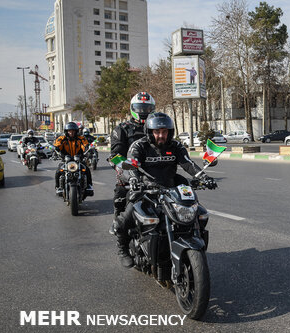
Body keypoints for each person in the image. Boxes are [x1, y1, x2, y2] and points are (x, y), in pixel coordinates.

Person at [114, 112, 216, 268]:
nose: (161, 135)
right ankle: (123, 250)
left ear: (170, 132)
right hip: (146, 189)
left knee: (200, 214)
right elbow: (132, 164)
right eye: (157, 132)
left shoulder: (175, 146)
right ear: (149, 132)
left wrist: (204, 177)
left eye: (164, 132)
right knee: (123, 220)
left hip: (172, 189)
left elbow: (187, 164)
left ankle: (193, 243)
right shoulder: (139, 146)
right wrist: (134, 180)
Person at [109, 92, 156, 233]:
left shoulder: (157, 127)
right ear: (132, 108)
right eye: (140, 108)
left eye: (146, 109)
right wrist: (124, 167)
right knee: (121, 195)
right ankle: (117, 220)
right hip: (129, 170)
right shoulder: (122, 129)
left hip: (154, 171)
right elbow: (116, 155)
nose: (143, 112)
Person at [53, 122, 94, 196]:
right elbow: (57, 144)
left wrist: (87, 149)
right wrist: (56, 148)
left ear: (76, 131)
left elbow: (85, 145)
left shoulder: (81, 138)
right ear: (66, 131)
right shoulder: (62, 139)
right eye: (69, 131)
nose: (71, 133)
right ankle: (58, 187)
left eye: (73, 131)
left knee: (87, 170)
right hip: (65, 160)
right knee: (58, 171)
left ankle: (89, 186)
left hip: (78, 159)